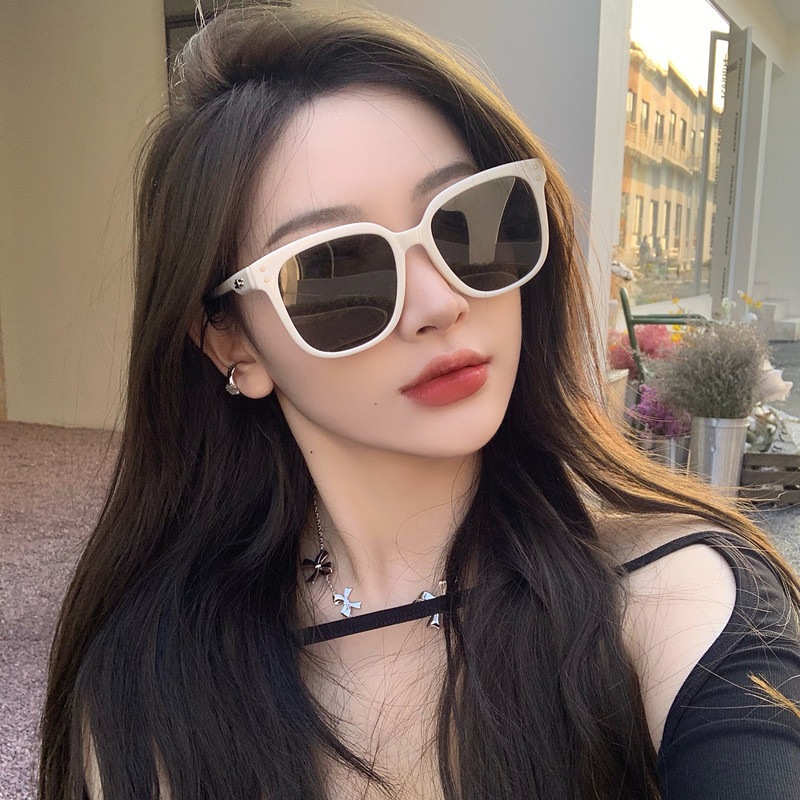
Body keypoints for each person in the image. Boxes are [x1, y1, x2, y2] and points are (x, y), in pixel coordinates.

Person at [40, 5, 800, 799]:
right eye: (338, 270)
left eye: (469, 224)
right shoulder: (156, 675)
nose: (439, 302)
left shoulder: (672, 598)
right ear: (233, 344)